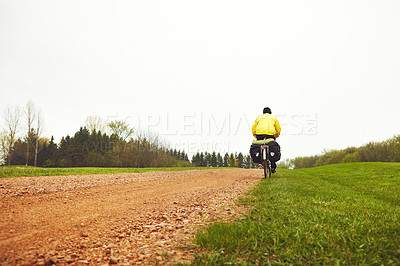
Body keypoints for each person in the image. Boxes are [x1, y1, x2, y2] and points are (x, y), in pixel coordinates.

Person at [251, 107, 281, 172]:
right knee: (272, 146)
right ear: (270, 113)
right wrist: (276, 135)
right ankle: (273, 166)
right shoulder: (273, 118)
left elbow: (253, 128)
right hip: (270, 135)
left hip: (259, 134)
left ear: (263, 112)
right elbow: (278, 129)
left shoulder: (259, 118)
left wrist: (255, 135)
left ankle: (261, 160)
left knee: (259, 145)